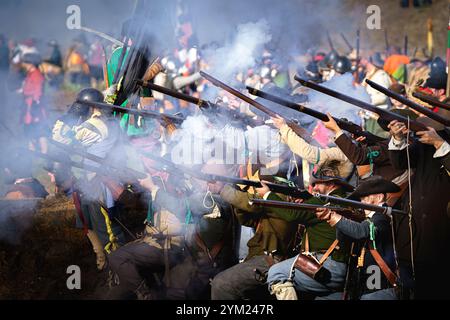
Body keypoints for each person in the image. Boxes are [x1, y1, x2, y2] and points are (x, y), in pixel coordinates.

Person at [266, 164, 353, 300]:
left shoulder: (323, 201)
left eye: (317, 184)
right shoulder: (346, 201)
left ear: (330, 184)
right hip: (343, 270)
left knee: (276, 273)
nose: (315, 188)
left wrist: (267, 194)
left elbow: (291, 215)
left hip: (326, 266)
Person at [387, 118, 450, 299]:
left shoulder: (440, 141)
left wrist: (439, 142)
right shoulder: (424, 146)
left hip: (440, 239)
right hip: (414, 235)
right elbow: (400, 163)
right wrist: (398, 138)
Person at [316, 176, 401, 300]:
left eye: (365, 198)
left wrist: (332, 217)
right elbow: (344, 241)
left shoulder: (381, 217)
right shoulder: (372, 218)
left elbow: (361, 231)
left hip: (379, 288)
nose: (362, 203)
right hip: (367, 286)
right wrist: (344, 218)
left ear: (379, 197)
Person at [20, 52, 48, 154]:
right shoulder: (30, 74)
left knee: (40, 132)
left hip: (35, 107)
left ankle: (44, 153)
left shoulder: (36, 75)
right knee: (29, 130)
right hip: (29, 106)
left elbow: (38, 93)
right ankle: (31, 152)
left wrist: (35, 111)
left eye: (25, 63)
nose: (23, 65)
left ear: (30, 64)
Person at [360, 53, 392, 138]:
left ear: (366, 60)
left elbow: (383, 97)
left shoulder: (381, 75)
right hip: (369, 116)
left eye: (361, 59)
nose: (359, 62)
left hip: (379, 117)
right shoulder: (368, 74)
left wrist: (366, 101)